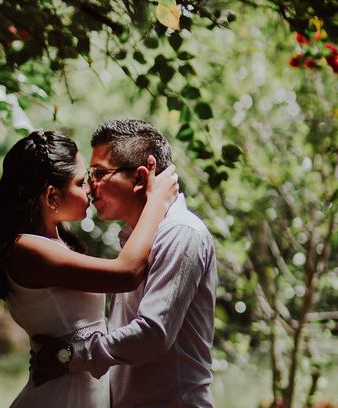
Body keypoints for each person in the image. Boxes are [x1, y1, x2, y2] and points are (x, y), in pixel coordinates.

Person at [0, 129, 179, 408]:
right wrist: (156, 201)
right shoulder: (28, 250)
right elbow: (126, 273)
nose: (91, 188)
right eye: (81, 182)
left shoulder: (55, 241)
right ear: (52, 197)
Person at [32, 119, 217, 408]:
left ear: (141, 178)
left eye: (99, 173)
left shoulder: (180, 232)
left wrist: (71, 355)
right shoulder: (135, 239)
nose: (90, 187)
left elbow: (152, 334)